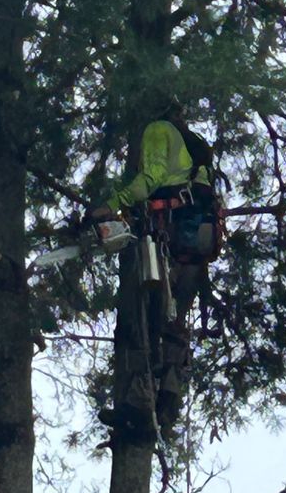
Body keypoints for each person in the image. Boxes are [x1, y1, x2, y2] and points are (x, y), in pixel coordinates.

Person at [91, 114, 220, 432]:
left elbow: (152, 175)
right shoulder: (196, 146)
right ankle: (168, 404)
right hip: (196, 245)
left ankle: (138, 404)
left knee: (142, 319)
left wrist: (113, 204)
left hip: (168, 237)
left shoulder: (157, 128)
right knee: (174, 324)